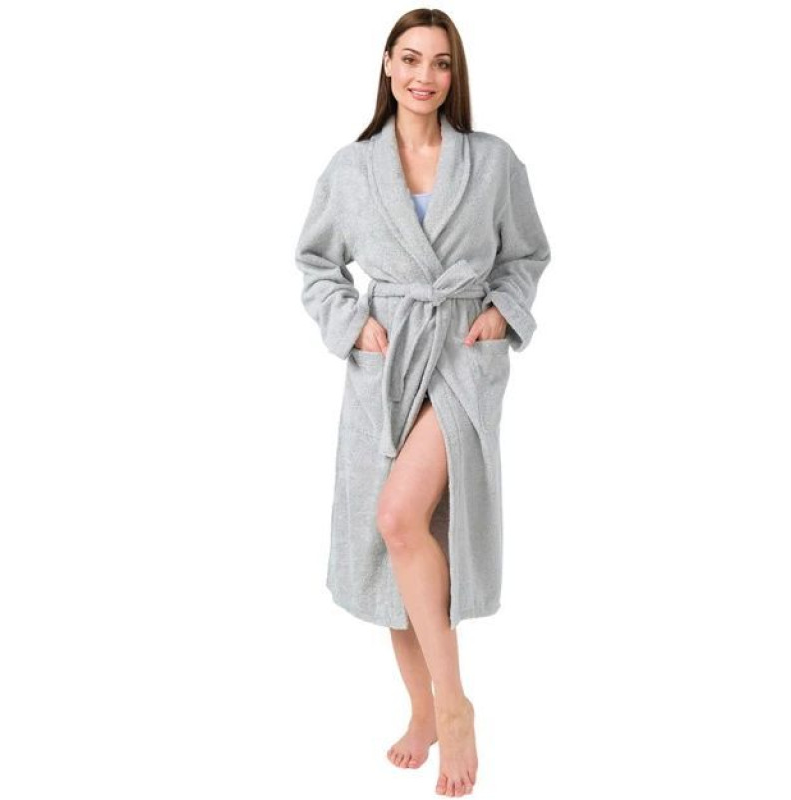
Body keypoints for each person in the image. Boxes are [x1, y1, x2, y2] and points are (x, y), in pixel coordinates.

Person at [295, 9, 551, 797]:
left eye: (440, 63)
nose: (424, 76)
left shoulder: (492, 161)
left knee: (399, 517)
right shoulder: (351, 168)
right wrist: (354, 326)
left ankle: (454, 708)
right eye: (410, 59)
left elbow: (527, 252)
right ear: (387, 65)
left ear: (453, 74)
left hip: (463, 360)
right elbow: (315, 262)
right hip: (387, 362)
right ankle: (421, 709)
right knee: (398, 548)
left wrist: (502, 312)